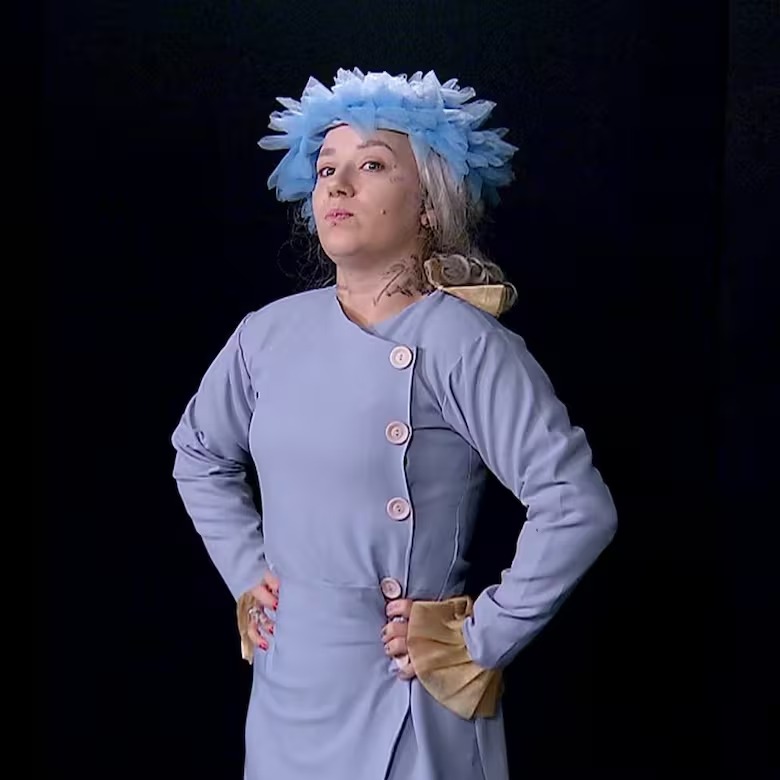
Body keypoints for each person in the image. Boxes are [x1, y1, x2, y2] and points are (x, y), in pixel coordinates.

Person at [171, 68, 618, 780]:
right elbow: (198, 453)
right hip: (289, 688)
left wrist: (480, 637)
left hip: (404, 693)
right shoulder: (266, 334)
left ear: (430, 205)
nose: (338, 186)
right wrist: (248, 574)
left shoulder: (465, 343)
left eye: (372, 165)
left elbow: (575, 504)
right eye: (327, 169)